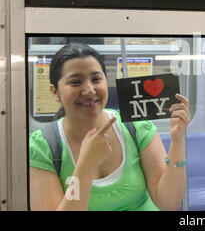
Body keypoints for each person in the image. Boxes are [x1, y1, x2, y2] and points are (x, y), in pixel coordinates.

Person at [29, 43, 190, 211]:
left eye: (96, 79)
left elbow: (168, 203)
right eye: (75, 82)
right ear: (54, 92)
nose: (89, 90)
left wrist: (177, 140)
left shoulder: (136, 127)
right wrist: (86, 165)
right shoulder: (42, 147)